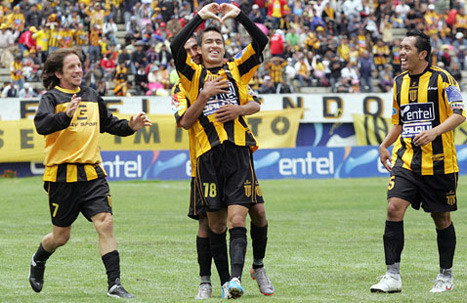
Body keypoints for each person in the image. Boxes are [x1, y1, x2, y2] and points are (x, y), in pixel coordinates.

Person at [29, 48, 152, 298]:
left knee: (105, 223)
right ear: (58, 73)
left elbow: (108, 124)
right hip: (61, 177)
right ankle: (38, 260)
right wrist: (65, 115)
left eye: (79, 65)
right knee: (60, 236)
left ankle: (114, 284)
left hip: (92, 174)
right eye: (71, 66)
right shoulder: (51, 98)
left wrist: (130, 126)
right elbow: (42, 125)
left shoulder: (92, 95)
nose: (78, 70)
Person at [170, 2, 269, 299]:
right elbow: (175, 46)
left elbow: (260, 41)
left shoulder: (237, 69)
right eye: (208, 41)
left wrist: (238, 15)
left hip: (238, 152)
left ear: (225, 48)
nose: (214, 45)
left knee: (242, 217)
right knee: (213, 224)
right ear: (199, 49)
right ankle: (217, 280)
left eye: (219, 41)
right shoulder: (190, 76)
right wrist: (200, 17)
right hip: (206, 158)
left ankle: (238, 278)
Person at [370, 30, 466, 294]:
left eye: (406, 48)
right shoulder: (399, 83)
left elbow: (459, 115)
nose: (401, 52)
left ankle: (445, 276)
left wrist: (434, 132)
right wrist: (385, 144)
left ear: (422, 54)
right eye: (400, 47)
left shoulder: (443, 79)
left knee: (441, 219)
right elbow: (398, 122)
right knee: (393, 208)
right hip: (407, 161)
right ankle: (392, 276)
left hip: (439, 163)